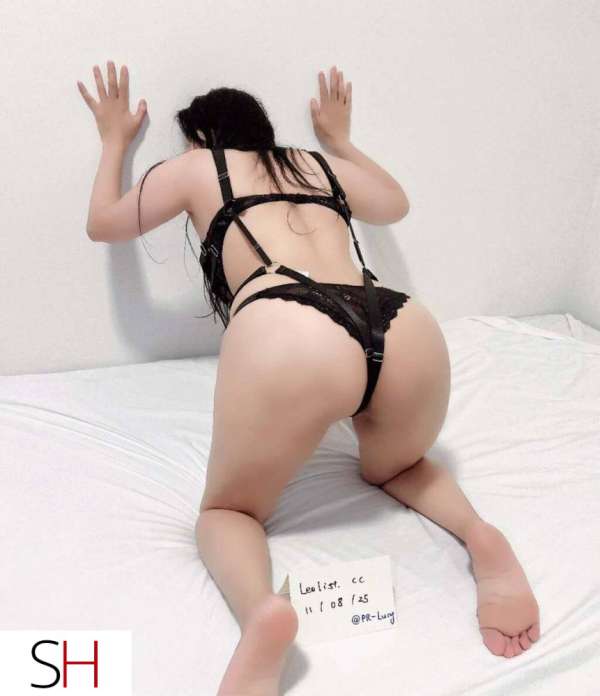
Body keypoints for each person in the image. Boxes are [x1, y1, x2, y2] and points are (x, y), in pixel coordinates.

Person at [80, 62, 540, 696]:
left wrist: (113, 141)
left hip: (288, 324)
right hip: (403, 326)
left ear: (202, 138)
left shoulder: (196, 165)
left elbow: (103, 222)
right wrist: (340, 141)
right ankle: (480, 536)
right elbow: (395, 203)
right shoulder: (312, 165)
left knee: (228, 511)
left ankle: (263, 614)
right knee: (401, 467)